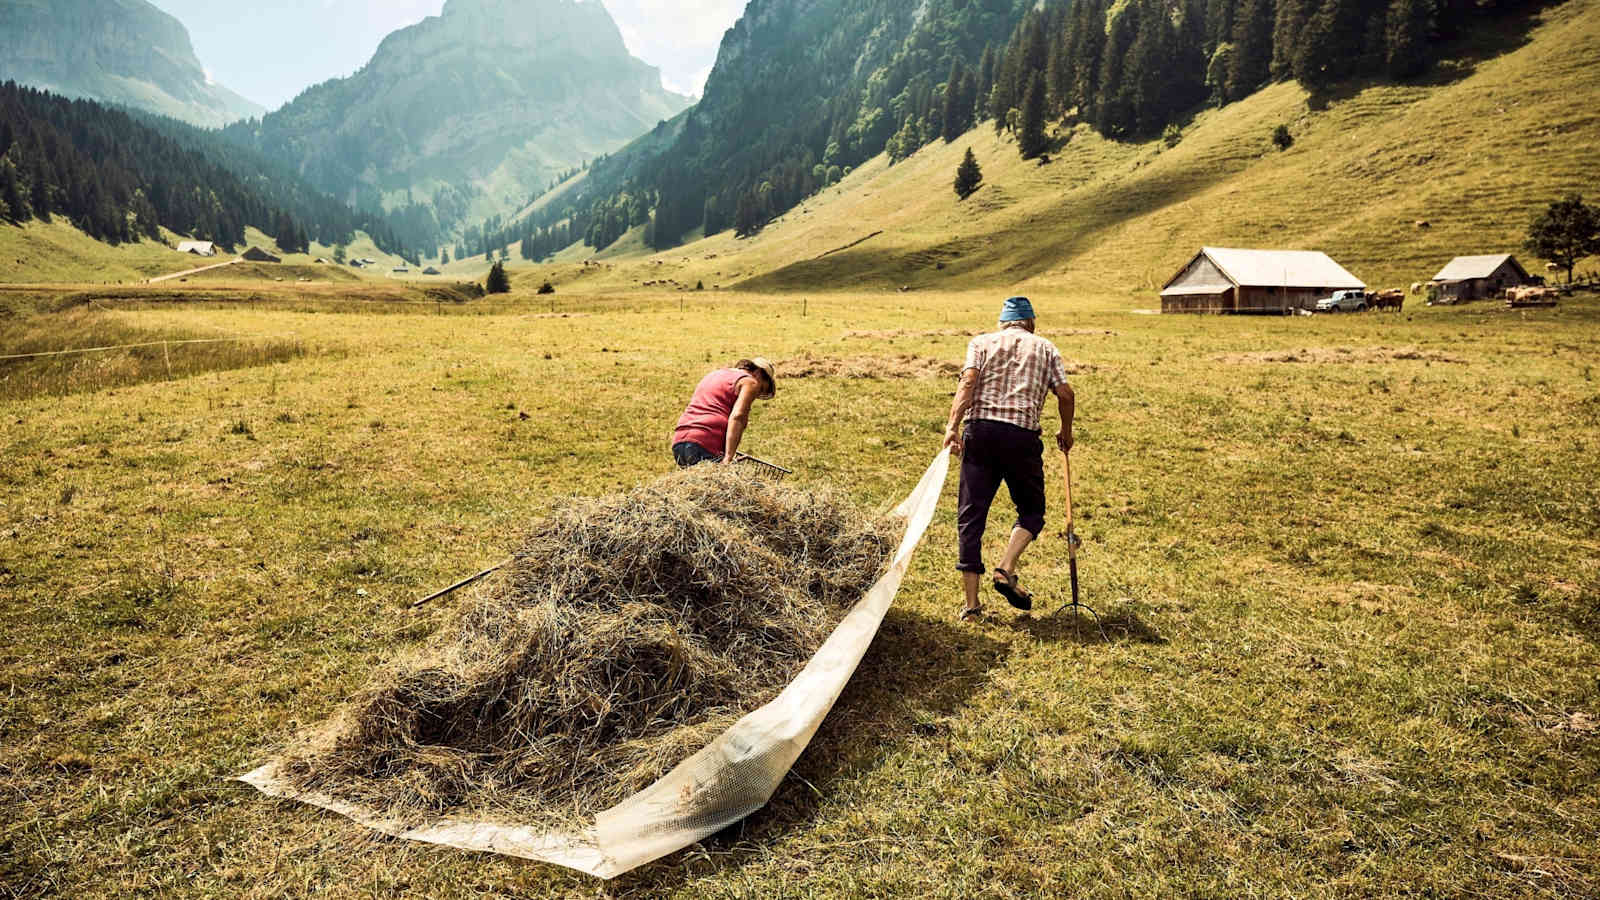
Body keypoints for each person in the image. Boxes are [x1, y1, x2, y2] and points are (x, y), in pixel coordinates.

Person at [943, 297, 1074, 621]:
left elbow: (968, 382)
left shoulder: (981, 343)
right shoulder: (1045, 348)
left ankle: (972, 607)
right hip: (1021, 437)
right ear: (1030, 322)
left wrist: (952, 426)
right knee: (1032, 510)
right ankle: (1006, 567)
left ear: (1003, 322)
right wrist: (1065, 431)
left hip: (981, 433)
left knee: (970, 517)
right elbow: (1066, 394)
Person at [671, 358, 778, 468]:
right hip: (706, 443)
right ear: (758, 373)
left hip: (680, 442)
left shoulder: (715, 374)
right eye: (761, 389)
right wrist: (728, 457)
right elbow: (738, 416)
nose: (757, 394)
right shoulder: (750, 382)